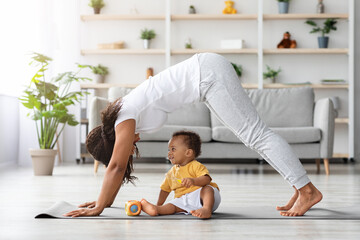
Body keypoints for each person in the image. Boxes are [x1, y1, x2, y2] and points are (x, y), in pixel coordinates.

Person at [64, 53, 322, 218]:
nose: (132, 148)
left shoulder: (124, 118)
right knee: (252, 137)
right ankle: (300, 189)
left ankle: (307, 190)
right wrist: (104, 203)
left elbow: (117, 167)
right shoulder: (125, 115)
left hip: (208, 75)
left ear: (112, 143)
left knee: (256, 135)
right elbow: (118, 166)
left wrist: (98, 206)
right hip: (206, 79)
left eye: (122, 148)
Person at [140, 131, 221, 219]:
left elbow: (206, 179)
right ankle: (156, 209)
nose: (169, 153)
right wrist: (159, 204)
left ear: (188, 153)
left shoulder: (195, 165)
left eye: (173, 149)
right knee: (173, 206)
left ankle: (206, 209)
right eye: (169, 150)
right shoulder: (171, 173)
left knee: (207, 189)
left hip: (206, 198)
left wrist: (193, 181)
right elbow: (165, 190)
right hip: (186, 201)